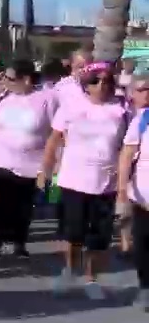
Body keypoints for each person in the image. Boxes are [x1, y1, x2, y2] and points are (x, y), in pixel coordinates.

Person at [42, 61, 130, 298]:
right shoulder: (70, 107)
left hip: (106, 183)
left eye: (107, 81)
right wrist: (45, 171)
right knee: (73, 234)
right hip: (73, 180)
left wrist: (125, 177)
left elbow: (127, 146)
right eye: (95, 81)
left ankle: (92, 279)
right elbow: (54, 140)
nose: (101, 85)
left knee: (99, 238)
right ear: (86, 85)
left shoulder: (121, 109)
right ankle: (70, 270)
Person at [0, 59, 56, 264]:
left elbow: (55, 131)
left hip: (30, 162)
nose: (6, 82)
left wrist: (52, 164)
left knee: (22, 205)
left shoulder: (46, 99)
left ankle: (19, 243)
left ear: (27, 80)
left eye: (10, 79)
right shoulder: (2, 97)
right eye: (4, 78)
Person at [117, 73, 149, 309]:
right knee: (144, 242)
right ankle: (146, 287)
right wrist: (122, 191)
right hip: (143, 196)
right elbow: (127, 156)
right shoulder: (142, 120)